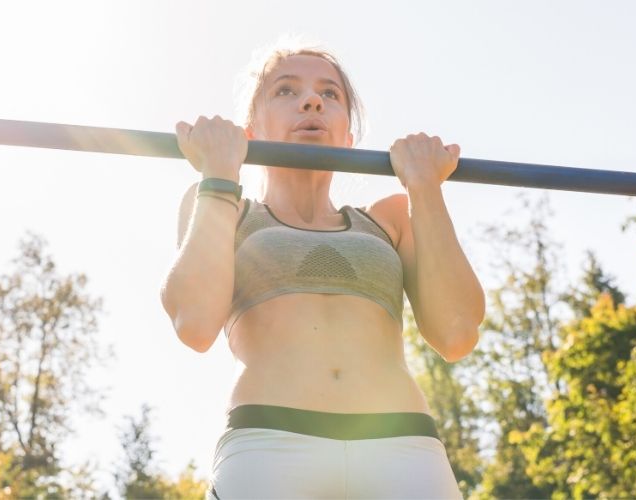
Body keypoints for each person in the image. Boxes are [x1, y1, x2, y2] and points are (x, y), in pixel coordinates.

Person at [160, 41, 485, 499]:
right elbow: (194, 323)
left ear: (348, 137)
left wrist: (425, 187)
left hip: (403, 446)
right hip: (269, 444)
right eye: (286, 91)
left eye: (329, 94)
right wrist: (217, 171)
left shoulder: (391, 218)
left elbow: (457, 332)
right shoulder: (224, 206)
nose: (312, 101)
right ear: (250, 131)